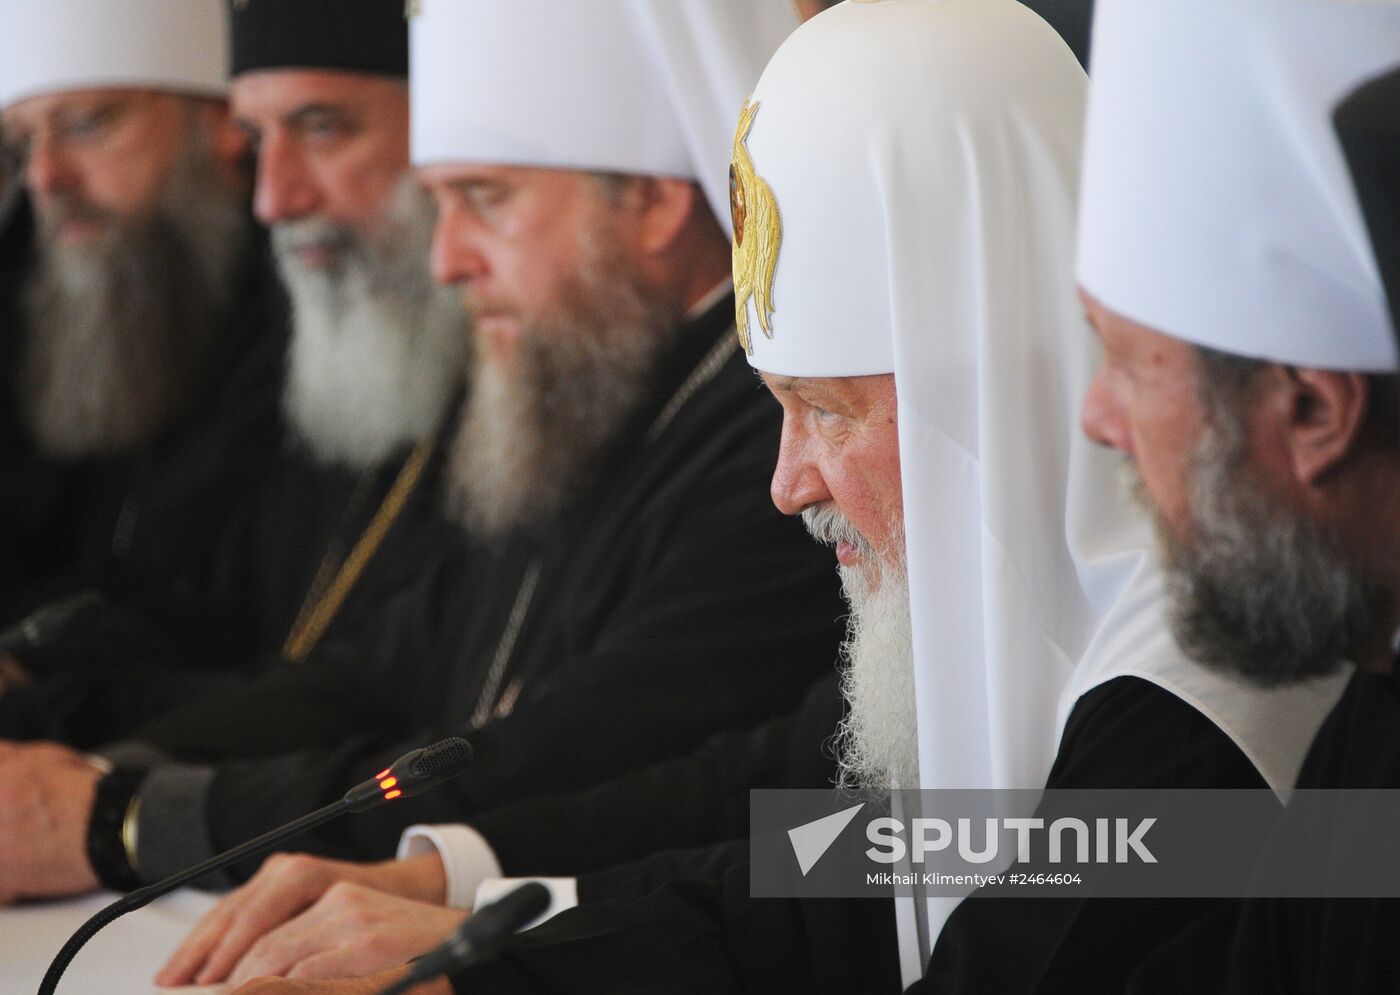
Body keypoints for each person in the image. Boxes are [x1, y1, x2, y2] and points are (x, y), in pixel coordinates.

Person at [208, 2, 1342, 992]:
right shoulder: (973, 620)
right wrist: (459, 919)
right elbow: (789, 887)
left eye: (830, 408)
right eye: (780, 406)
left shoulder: (1203, 691)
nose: (787, 481)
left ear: (990, 386)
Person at [0, 0, 845, 915]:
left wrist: (125, 816)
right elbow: (378, 676)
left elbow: (569, 757)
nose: (445, 260)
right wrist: (101, 777)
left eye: (484, 198)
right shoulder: (587, 385)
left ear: (650, 202)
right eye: (438, 202)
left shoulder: (773, 446)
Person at [0, 0, 473, 748]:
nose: (273, 199)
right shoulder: (342, 346)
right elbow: (210, 615)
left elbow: (384, 693)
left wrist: (108, 803)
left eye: (323, 128)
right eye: (261, 137)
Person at [1065, 1, 1400, 990]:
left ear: (1308, 408)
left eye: (1125, 361)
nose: (1094, 414)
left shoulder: (1178, 718)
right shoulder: (1365, 694)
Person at [0, 0, 289, 727]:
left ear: (224, 123)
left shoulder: (307, 326)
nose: (45, 177)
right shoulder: (33, 287)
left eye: (89, 123)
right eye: (21, 145)